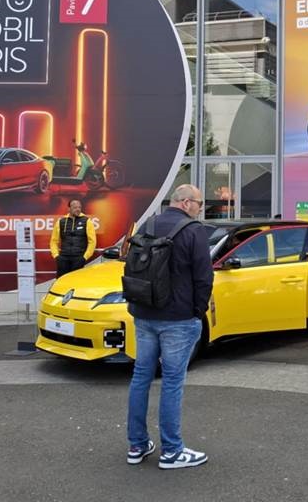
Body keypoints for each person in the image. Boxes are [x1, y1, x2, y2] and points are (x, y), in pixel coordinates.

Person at [126, 184, 212, 469]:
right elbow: (204, 277)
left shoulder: (147, 225)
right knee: (172, 382)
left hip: (144, 312)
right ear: (186, 202)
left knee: (141, 377)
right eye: (199, 203)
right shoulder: (194, 231)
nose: (200, 208)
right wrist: (197, 313)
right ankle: (172, 451)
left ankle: (137, 445)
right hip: (178, 318)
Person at [50, 199, 97, 278]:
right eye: (75, 207)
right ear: (69, 208)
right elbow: (54, 241)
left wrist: (85, 257)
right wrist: (56, 256)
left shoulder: (87, 221)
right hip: (63, 258)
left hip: (79, 258)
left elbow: (92, 241)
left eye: (79, 207)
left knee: (76, 281)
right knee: (62, 282)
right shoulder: (60, 222)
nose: (78, 209)